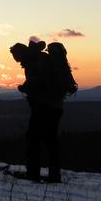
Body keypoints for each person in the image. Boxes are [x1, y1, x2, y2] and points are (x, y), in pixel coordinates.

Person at [10, 40, 74, 183]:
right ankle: (54, 176)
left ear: (20, 53)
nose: (16, 59)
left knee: (33, 139)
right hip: (55, 106)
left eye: (15, 56)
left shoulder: (35, 60)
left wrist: (25, 87)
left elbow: (38, 80)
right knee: (51, 141)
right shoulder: (40, 58)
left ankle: (33, 175)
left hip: (43, 106)